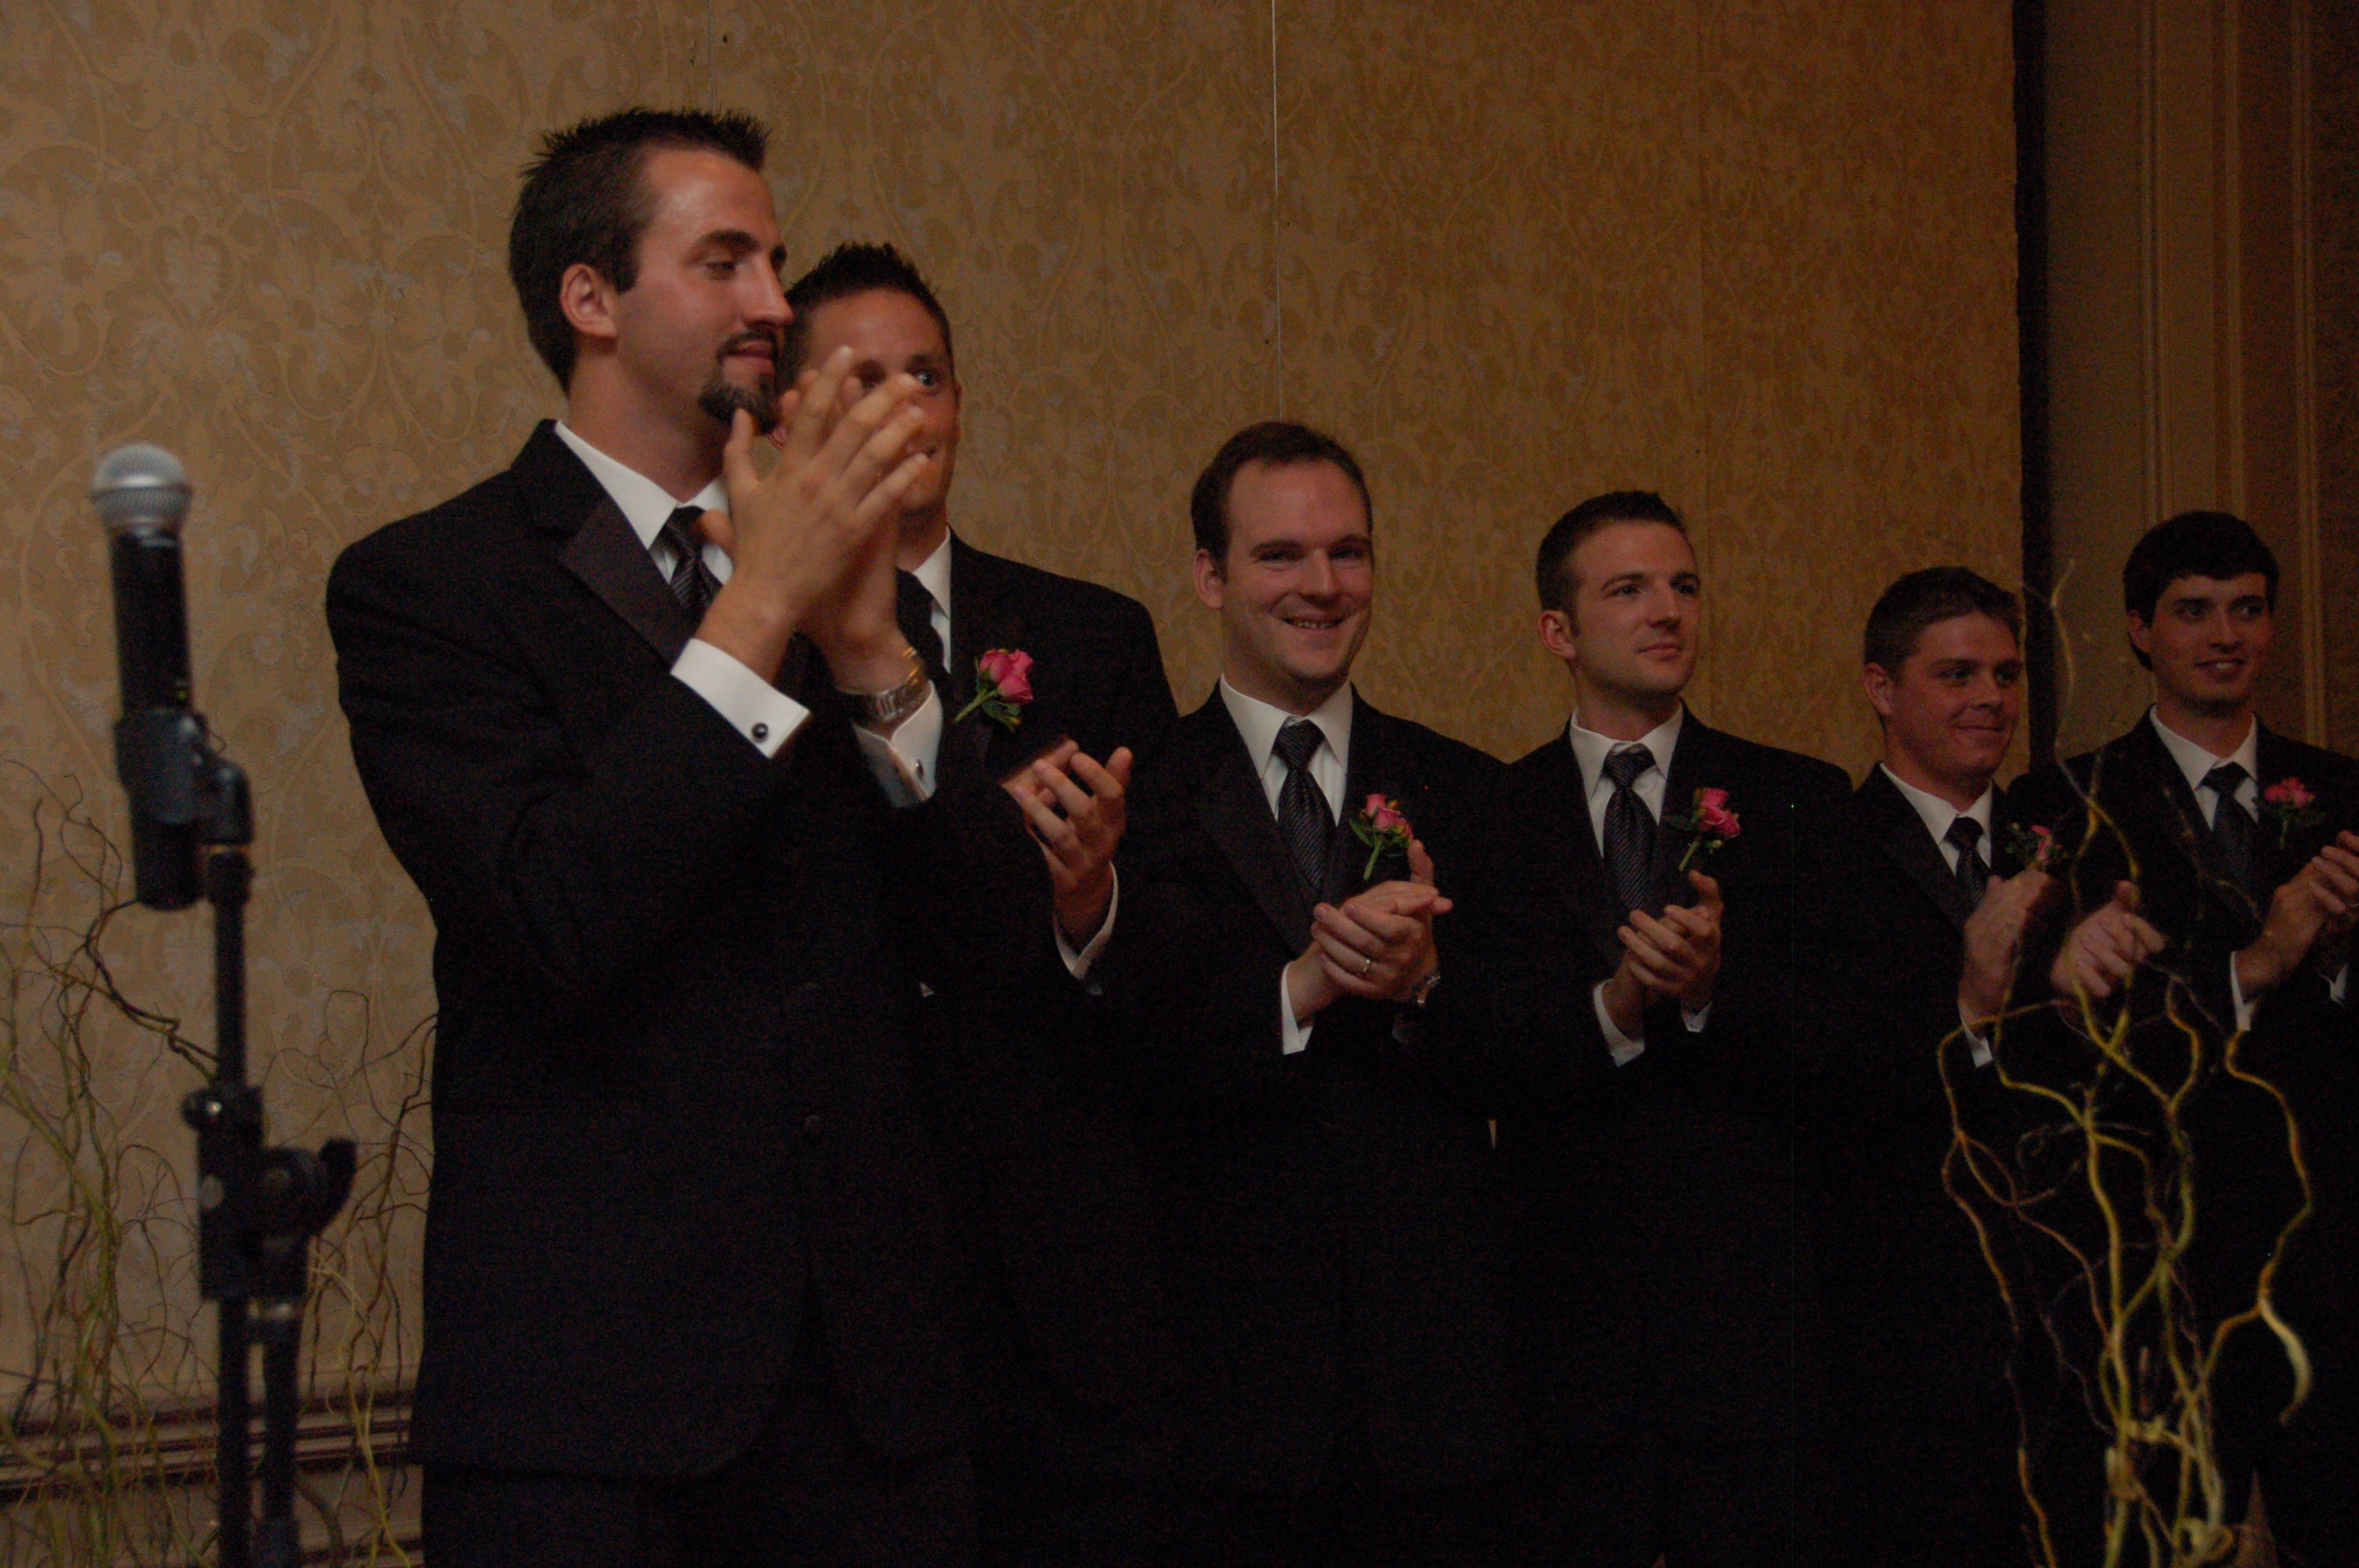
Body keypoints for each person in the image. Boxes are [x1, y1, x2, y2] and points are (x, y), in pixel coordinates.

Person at [327, 108, 976, 1566]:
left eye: (777, 263)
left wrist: (873, 660)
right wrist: (760, 612)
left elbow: (976, 948)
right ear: (591, 299)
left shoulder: (851, 570)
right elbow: (557, 912)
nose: (775, 304)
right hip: (591, 1401)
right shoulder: (431, 584)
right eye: (725, 262)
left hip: (870, 1403)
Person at [781, 242, 1182, 1566]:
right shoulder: (751, 643)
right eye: (864, 381)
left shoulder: (1091, 635)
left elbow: (1177, 950)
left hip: (1063, 1286)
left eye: (928, 377)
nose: (907, 409)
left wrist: (1090, 901)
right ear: (792, 415)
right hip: (834, 1289)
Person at [1091, 422, 1521, 1566]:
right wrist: (1300, 987)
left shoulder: (1465, 790)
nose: (1321, 585)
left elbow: (1533, 1057)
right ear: (1210, 576)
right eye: (1280, 555)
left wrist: (1428, 984)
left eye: (1348, 553)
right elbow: (1120, 1060)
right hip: (1218, 1402)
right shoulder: (1141, 797)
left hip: (1437, 1406)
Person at [1467, 490, 1849, 1568]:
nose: (1667, 610)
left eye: (1683, 586)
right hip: (1566, 1334)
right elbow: (1479, 1045)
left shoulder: (1796, 800)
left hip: (1752, 1336)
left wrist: (1713, 991)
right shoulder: (1495, 813)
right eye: (1628, 589)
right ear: (1558, 630)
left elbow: (1847, 1039)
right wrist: (1614, 1007)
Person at [2009, 511, 2359, 1564]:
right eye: (2194, 611)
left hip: (2329, 1254)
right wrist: (2257, 962)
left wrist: (2337, 957)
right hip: (2160, 1261)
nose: (2225, 635)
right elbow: (2068, 1037)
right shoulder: (2067, 804)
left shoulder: (2343, 795)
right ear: (2139, 629)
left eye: (2246, 609)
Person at [1797, 567, 2050, 1567]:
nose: (1990, 697)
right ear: (1880, 686)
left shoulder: (2058, 843)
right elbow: (1820, 1075)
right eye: (1955, 674)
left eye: (2005, 673)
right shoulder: (1821, 851)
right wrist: (1968, 1011)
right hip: (1893, 1325)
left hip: (2056, 1322)